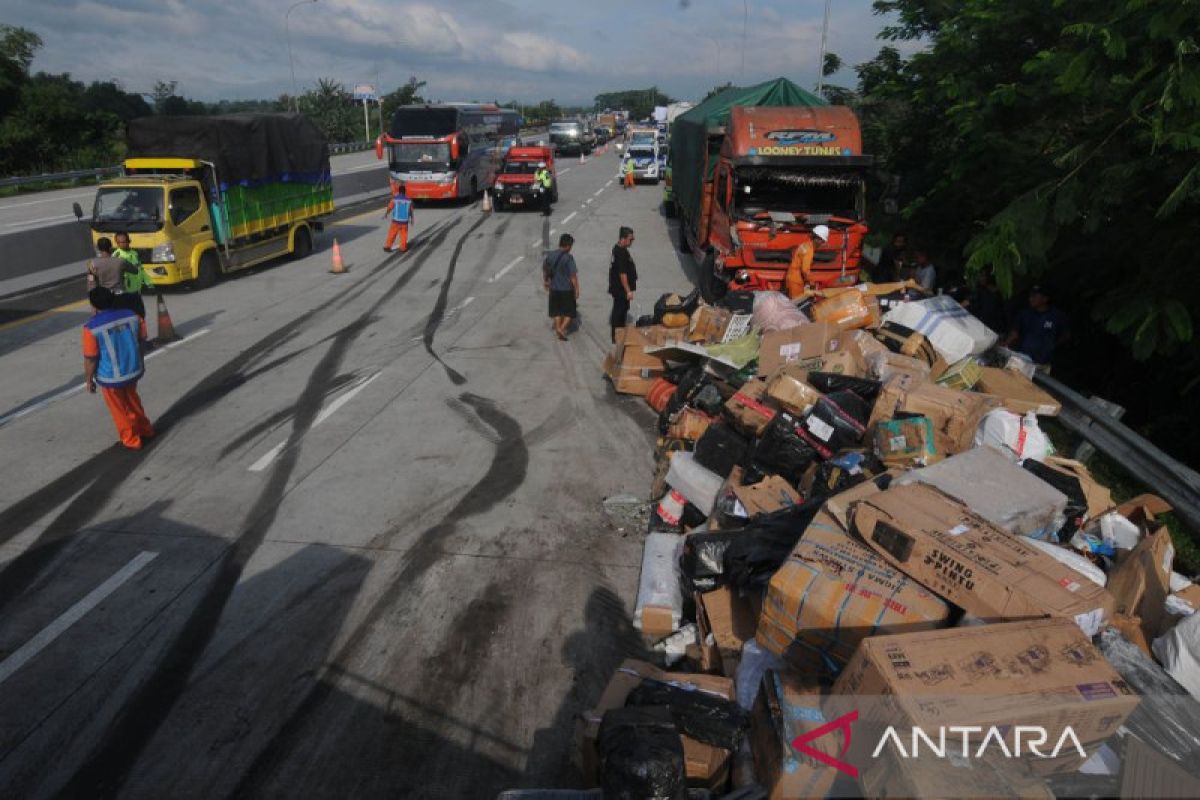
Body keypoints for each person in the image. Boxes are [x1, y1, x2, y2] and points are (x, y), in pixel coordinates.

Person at [82, 286, 155, 450]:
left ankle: (131, 439)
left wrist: (89, 380)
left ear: (94, 306)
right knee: (133, 400)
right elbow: (142, 340)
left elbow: (91, 358)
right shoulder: (133, 316)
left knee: (119, 409)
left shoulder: (91, 328)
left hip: (110, 377)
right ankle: (145, 429)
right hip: (133, 369)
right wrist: (140, 361)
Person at [1006, 285, 1070, 372]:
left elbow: (1065, 335)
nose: (1031, 299)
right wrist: (1006, 345)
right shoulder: (1025, 314)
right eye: (1030, 296)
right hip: (1022, 359)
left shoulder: (1057, 316)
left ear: (1045, 299)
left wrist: (1051, 345)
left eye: (1035, 296)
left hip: (1043, 364)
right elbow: (1014, 333)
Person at [543, 233, 579, 341]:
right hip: (566, 289)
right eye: (571, 246)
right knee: (571, 312)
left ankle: (558, 327)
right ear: (568, 245)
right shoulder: (568, 258)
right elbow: (573, 276)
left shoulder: (550, 255)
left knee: (557, 311)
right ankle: (562, 328)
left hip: (554, 289)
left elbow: (545, 269)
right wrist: (577, 289)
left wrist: (546, 281)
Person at [112, 232, 153, 318]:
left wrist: (149, 284)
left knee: (141, 314)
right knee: (129, 317)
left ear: (129, 241)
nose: (123, 244)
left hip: (137, 291)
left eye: (125, 241)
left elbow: (141, 270)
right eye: (120, 242)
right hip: (125, 292)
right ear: (117, 243)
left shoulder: (134, 253)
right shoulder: (116, 256)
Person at [86, 237, 138, 302]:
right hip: (120, 296)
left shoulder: (92, 264)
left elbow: (91, 283)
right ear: (110, 247)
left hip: (104, 297)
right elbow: (135, 271)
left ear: (98, 248)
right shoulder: (121, 261)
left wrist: (93, 303)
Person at [608, 226, 637, 342]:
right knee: (619, 312)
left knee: (622, 310)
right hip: (620, 289)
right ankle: (616, 336)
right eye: (631, 239)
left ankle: (619, 333)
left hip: (619, 288)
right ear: (623, 239)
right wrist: (628, 291)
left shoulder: (619, 248)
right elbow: (622, 274)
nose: (632, 241)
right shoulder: (620, 253)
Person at [784, 224, 829, 298]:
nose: (822, 244)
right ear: (818, 239)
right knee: (796, 305)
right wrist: (811, 282)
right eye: (822, 241)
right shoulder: (809, 250)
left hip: (792, 277)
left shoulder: (805, 245)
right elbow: (805, 270)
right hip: (796, 281)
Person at [383, 183, 414, 253]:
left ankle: (387, 246)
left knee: (392, 234)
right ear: (405, 191)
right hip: (404, 221)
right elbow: (410, 211)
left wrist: (386, 214)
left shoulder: (395, 199)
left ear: (399, 191)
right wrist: (412, 219)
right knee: (403, 235)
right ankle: (403, 248)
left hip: (396, 221)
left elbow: (389, 208)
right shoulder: (409, 200)